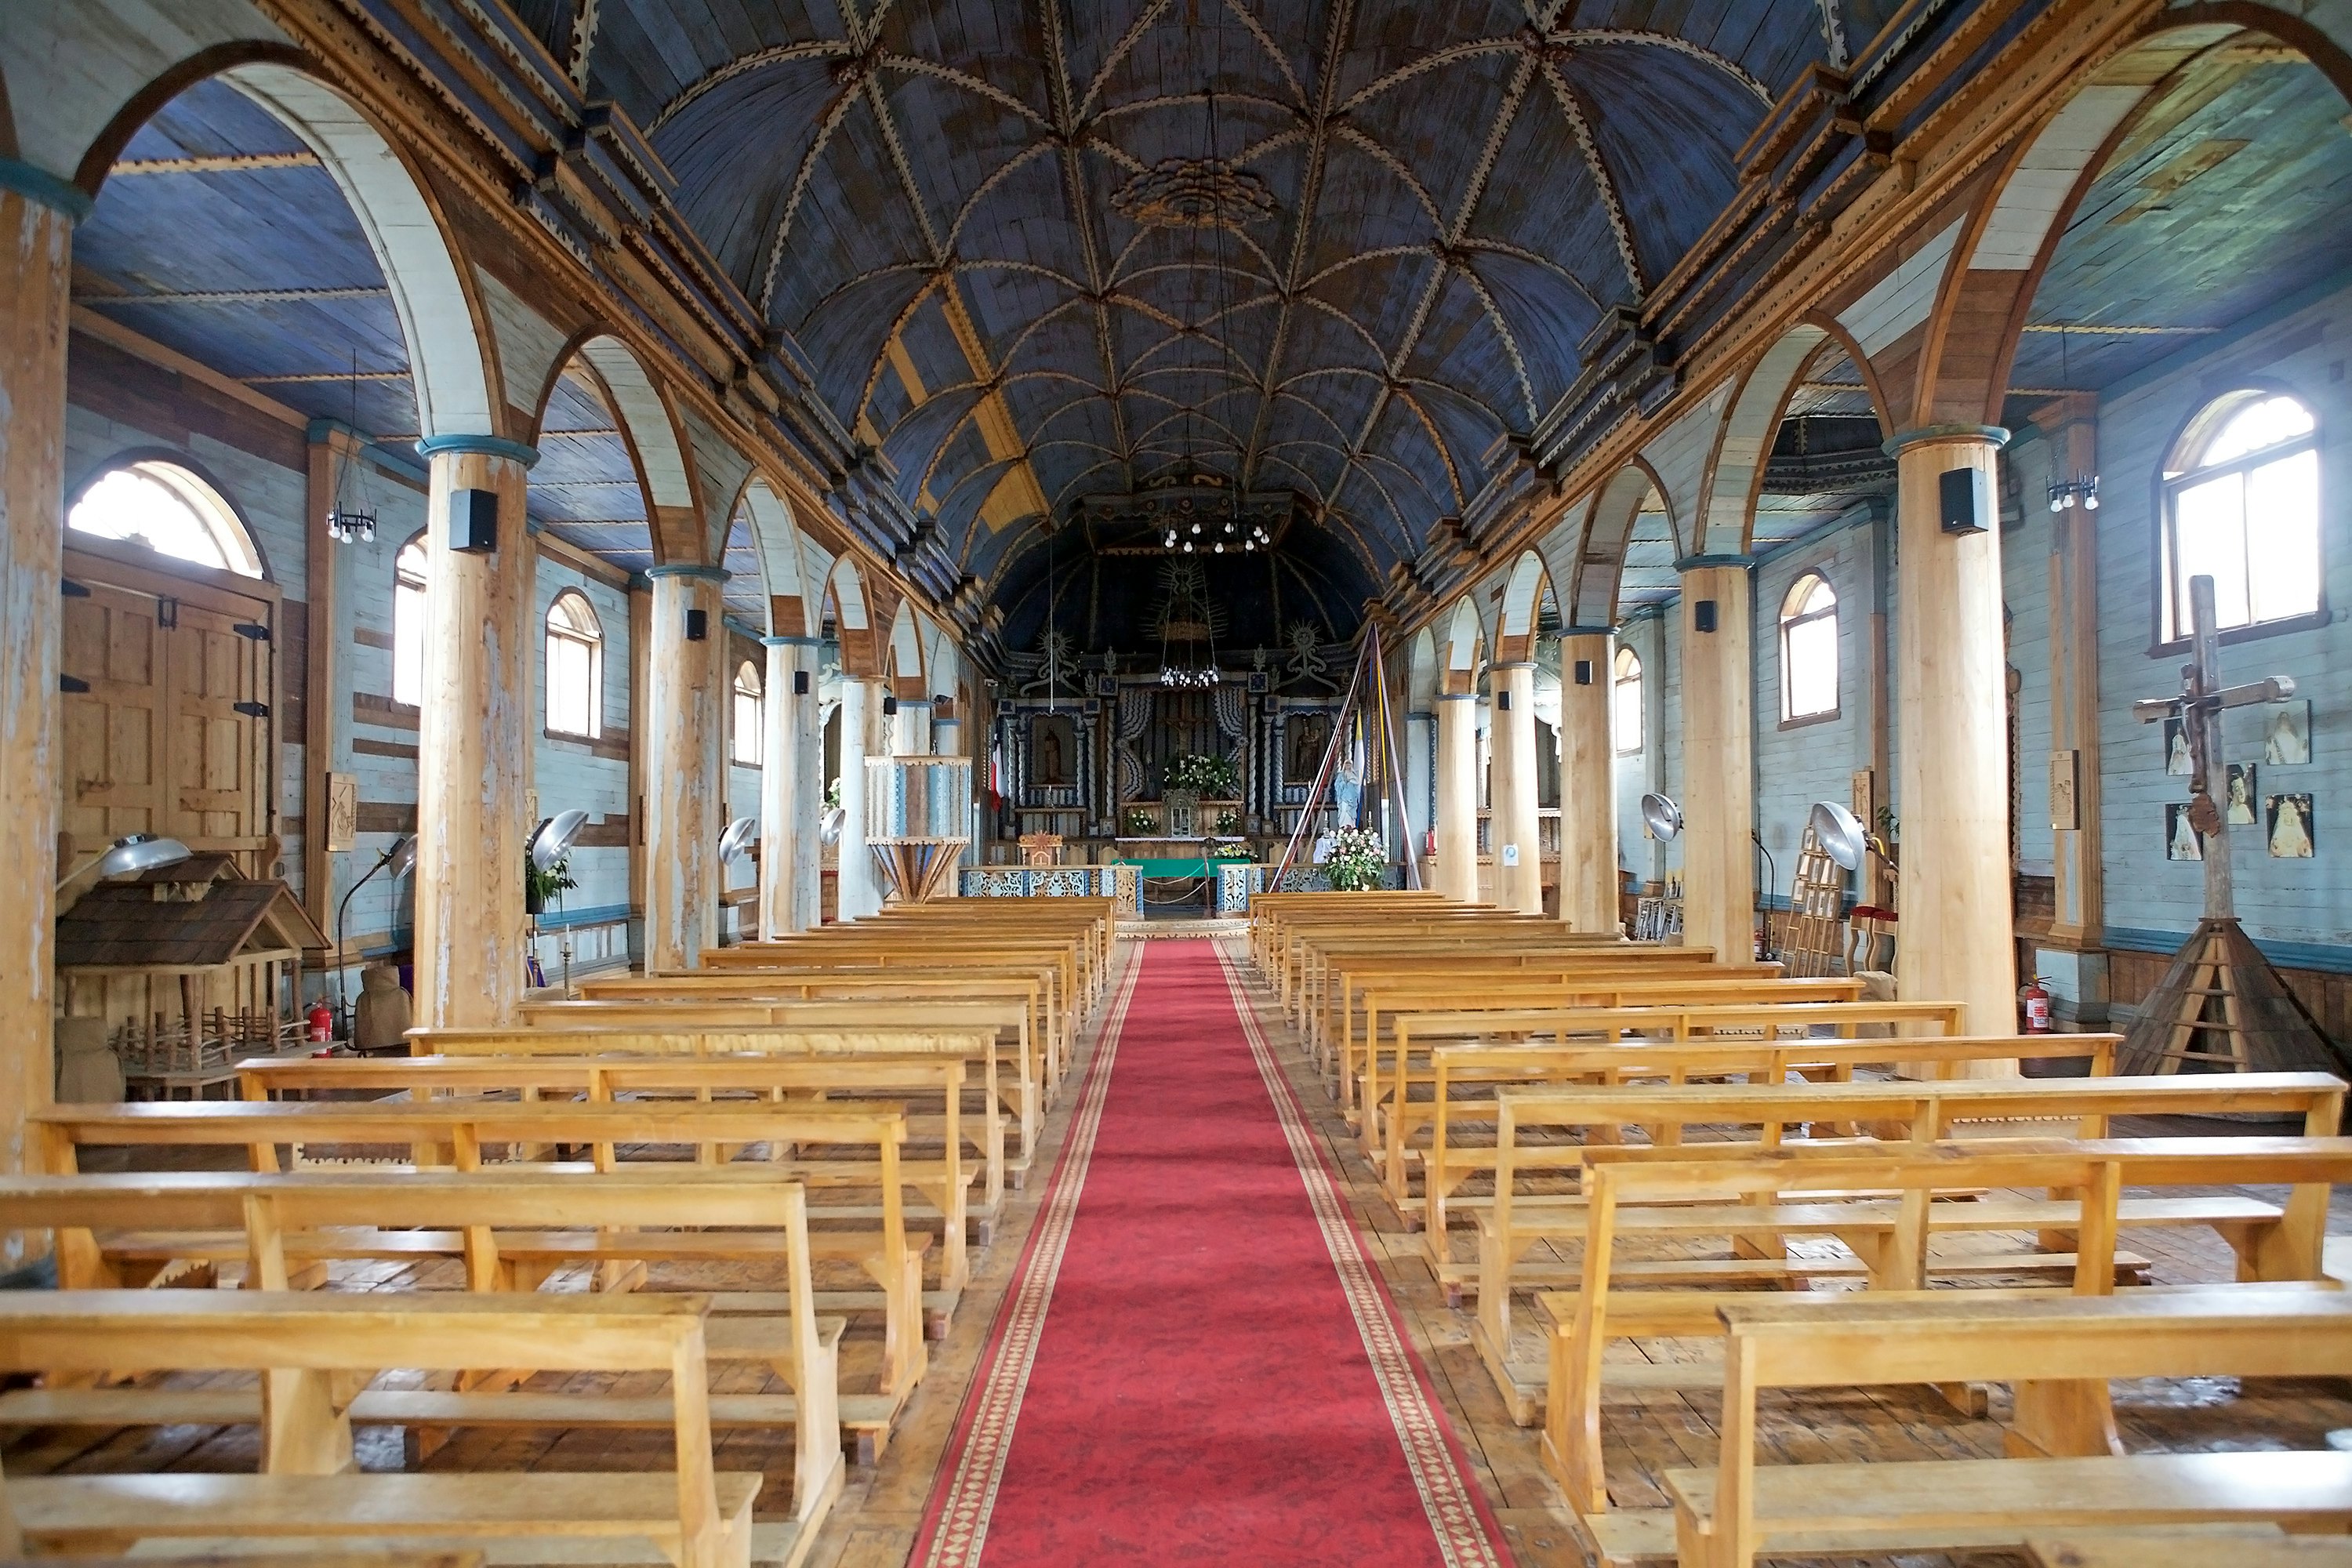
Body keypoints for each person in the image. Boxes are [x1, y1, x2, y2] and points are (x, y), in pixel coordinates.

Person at [2269, 794, 2314, 858]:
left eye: (2290, 815)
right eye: (2285, 814)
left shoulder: (2297, 830)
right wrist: (2275, 848)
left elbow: (2305, 852)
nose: (2288, 817)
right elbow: (2274, 852)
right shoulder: (2280, 831)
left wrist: (2304, 847)